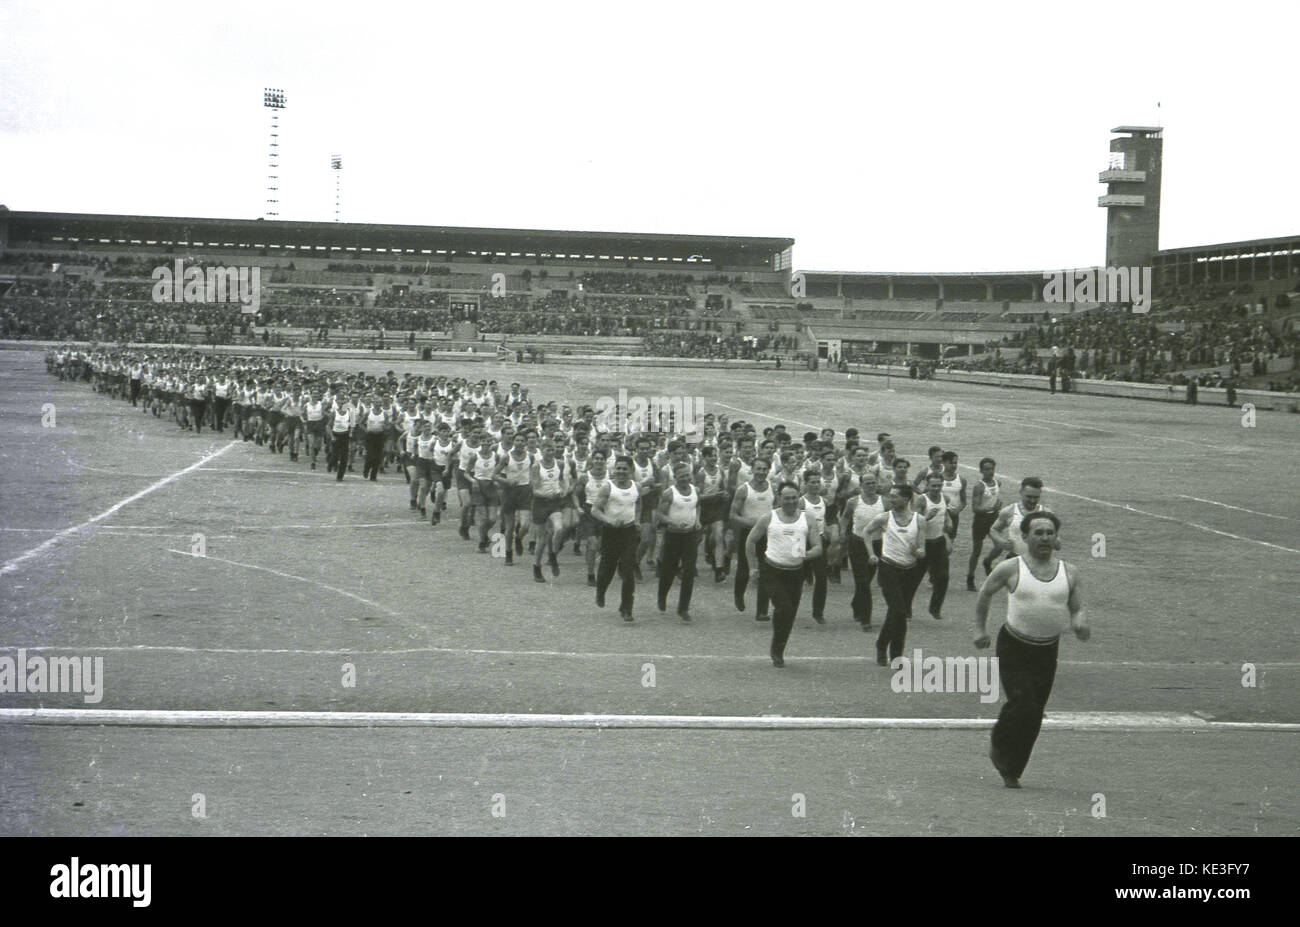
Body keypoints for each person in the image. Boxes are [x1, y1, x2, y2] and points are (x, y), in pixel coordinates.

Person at [974, 511, 1089, 788]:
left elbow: (1077, 606)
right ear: (1024, 537)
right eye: (1038, 533)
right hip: (1013, 646)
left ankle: (1012, 770)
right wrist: (979, 629)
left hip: (1047, 651)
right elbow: (985, 593)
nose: (1045, 538)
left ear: (1056, 537)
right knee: (1023, 704)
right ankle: (999, 744)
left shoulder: (1069, 572)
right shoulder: (1011, 568)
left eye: (1050, 533)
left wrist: (1079, 623)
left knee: (1035, 714)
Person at [746, 481, 822, 667]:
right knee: (784, 608)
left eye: (794, 497)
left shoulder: (807, 519)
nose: (790, 501)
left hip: (796, 573)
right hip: (772, 571)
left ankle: (778, 648)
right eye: (786, 498)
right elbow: (750, 541)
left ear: (799, 497)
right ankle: (776, 650)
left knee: (789, 614)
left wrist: (806, 554)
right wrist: (753, 568)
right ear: (779, 498)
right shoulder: (769, 517)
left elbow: (818, 547)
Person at [861, 484, 933, 665]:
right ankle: (896, 655)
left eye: (895, 496)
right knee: (900, 612)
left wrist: (917, 551)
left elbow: (922, 550)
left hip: (909, 571)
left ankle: (881, 643)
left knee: (896, 612)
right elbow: (866, 532)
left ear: (906, 499)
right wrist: (871, 553)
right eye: (890, 496)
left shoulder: (919, 520)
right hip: (888, 568)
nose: (891, 499)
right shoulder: (884, 518)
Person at [592, 455, 641, 621]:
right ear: (614, 470)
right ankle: (601, 590)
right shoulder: (608, 487)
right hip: (611, 532)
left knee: (628, 570)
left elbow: (638, 503)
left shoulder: (636, 487)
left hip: (629, 532)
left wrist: (637, 520)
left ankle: (626, 608)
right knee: (608, 568)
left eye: (624, 469)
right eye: (618, 468)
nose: (621, 472)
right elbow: (595, 510)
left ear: (631, 471)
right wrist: (610, 520)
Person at [656, 463, 702, 621]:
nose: (685, 478)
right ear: (675, 478)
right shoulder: (669, 493)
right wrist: (674, 523)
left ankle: (683, 608)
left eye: (687, 475)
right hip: (673, 536)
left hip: (690, 535)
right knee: (669, 570)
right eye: (682, 476)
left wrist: (698, 521)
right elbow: (660, 515)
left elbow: (697, 507)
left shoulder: (695, 490)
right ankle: (662, 596)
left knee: (688, 572)